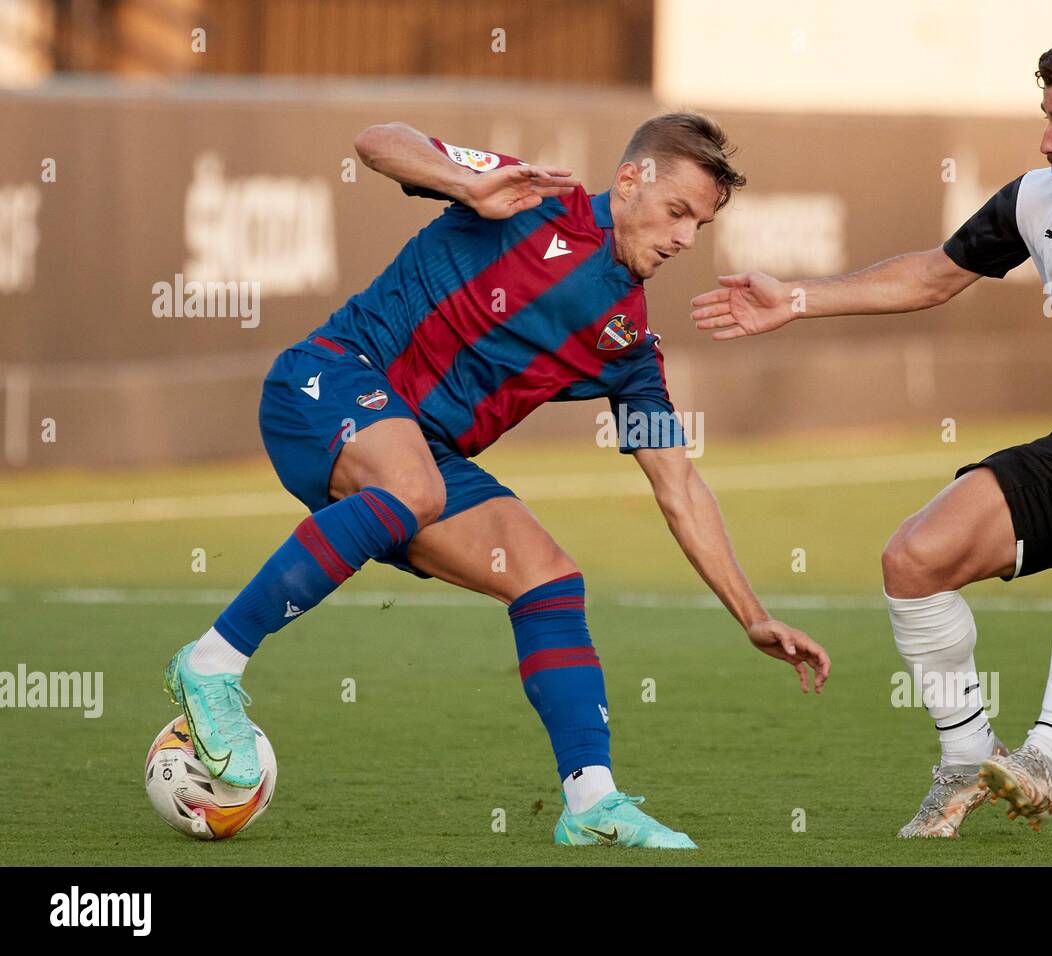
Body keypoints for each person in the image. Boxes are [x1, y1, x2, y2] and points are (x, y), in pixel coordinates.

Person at [164, 111, 830, 849]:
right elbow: (377, 142)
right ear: (630, 179)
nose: (684, 239)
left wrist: (751, 614)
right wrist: (466, 185)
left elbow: (678, 485)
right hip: (326, 380)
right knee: (418, 487)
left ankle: (591, 800)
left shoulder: (628, 346)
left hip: (420, 460)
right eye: (678, 213)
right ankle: (210, 663)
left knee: (548, 578)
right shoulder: (528, 194)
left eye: (700, 226)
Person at [690, 28, 1052, 837]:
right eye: (1045, 117)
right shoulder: (1037, 199)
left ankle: (1045, 757)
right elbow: (934, 275)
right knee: (912, 558)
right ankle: (965, 756)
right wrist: (798, 300)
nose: (1046, 139)